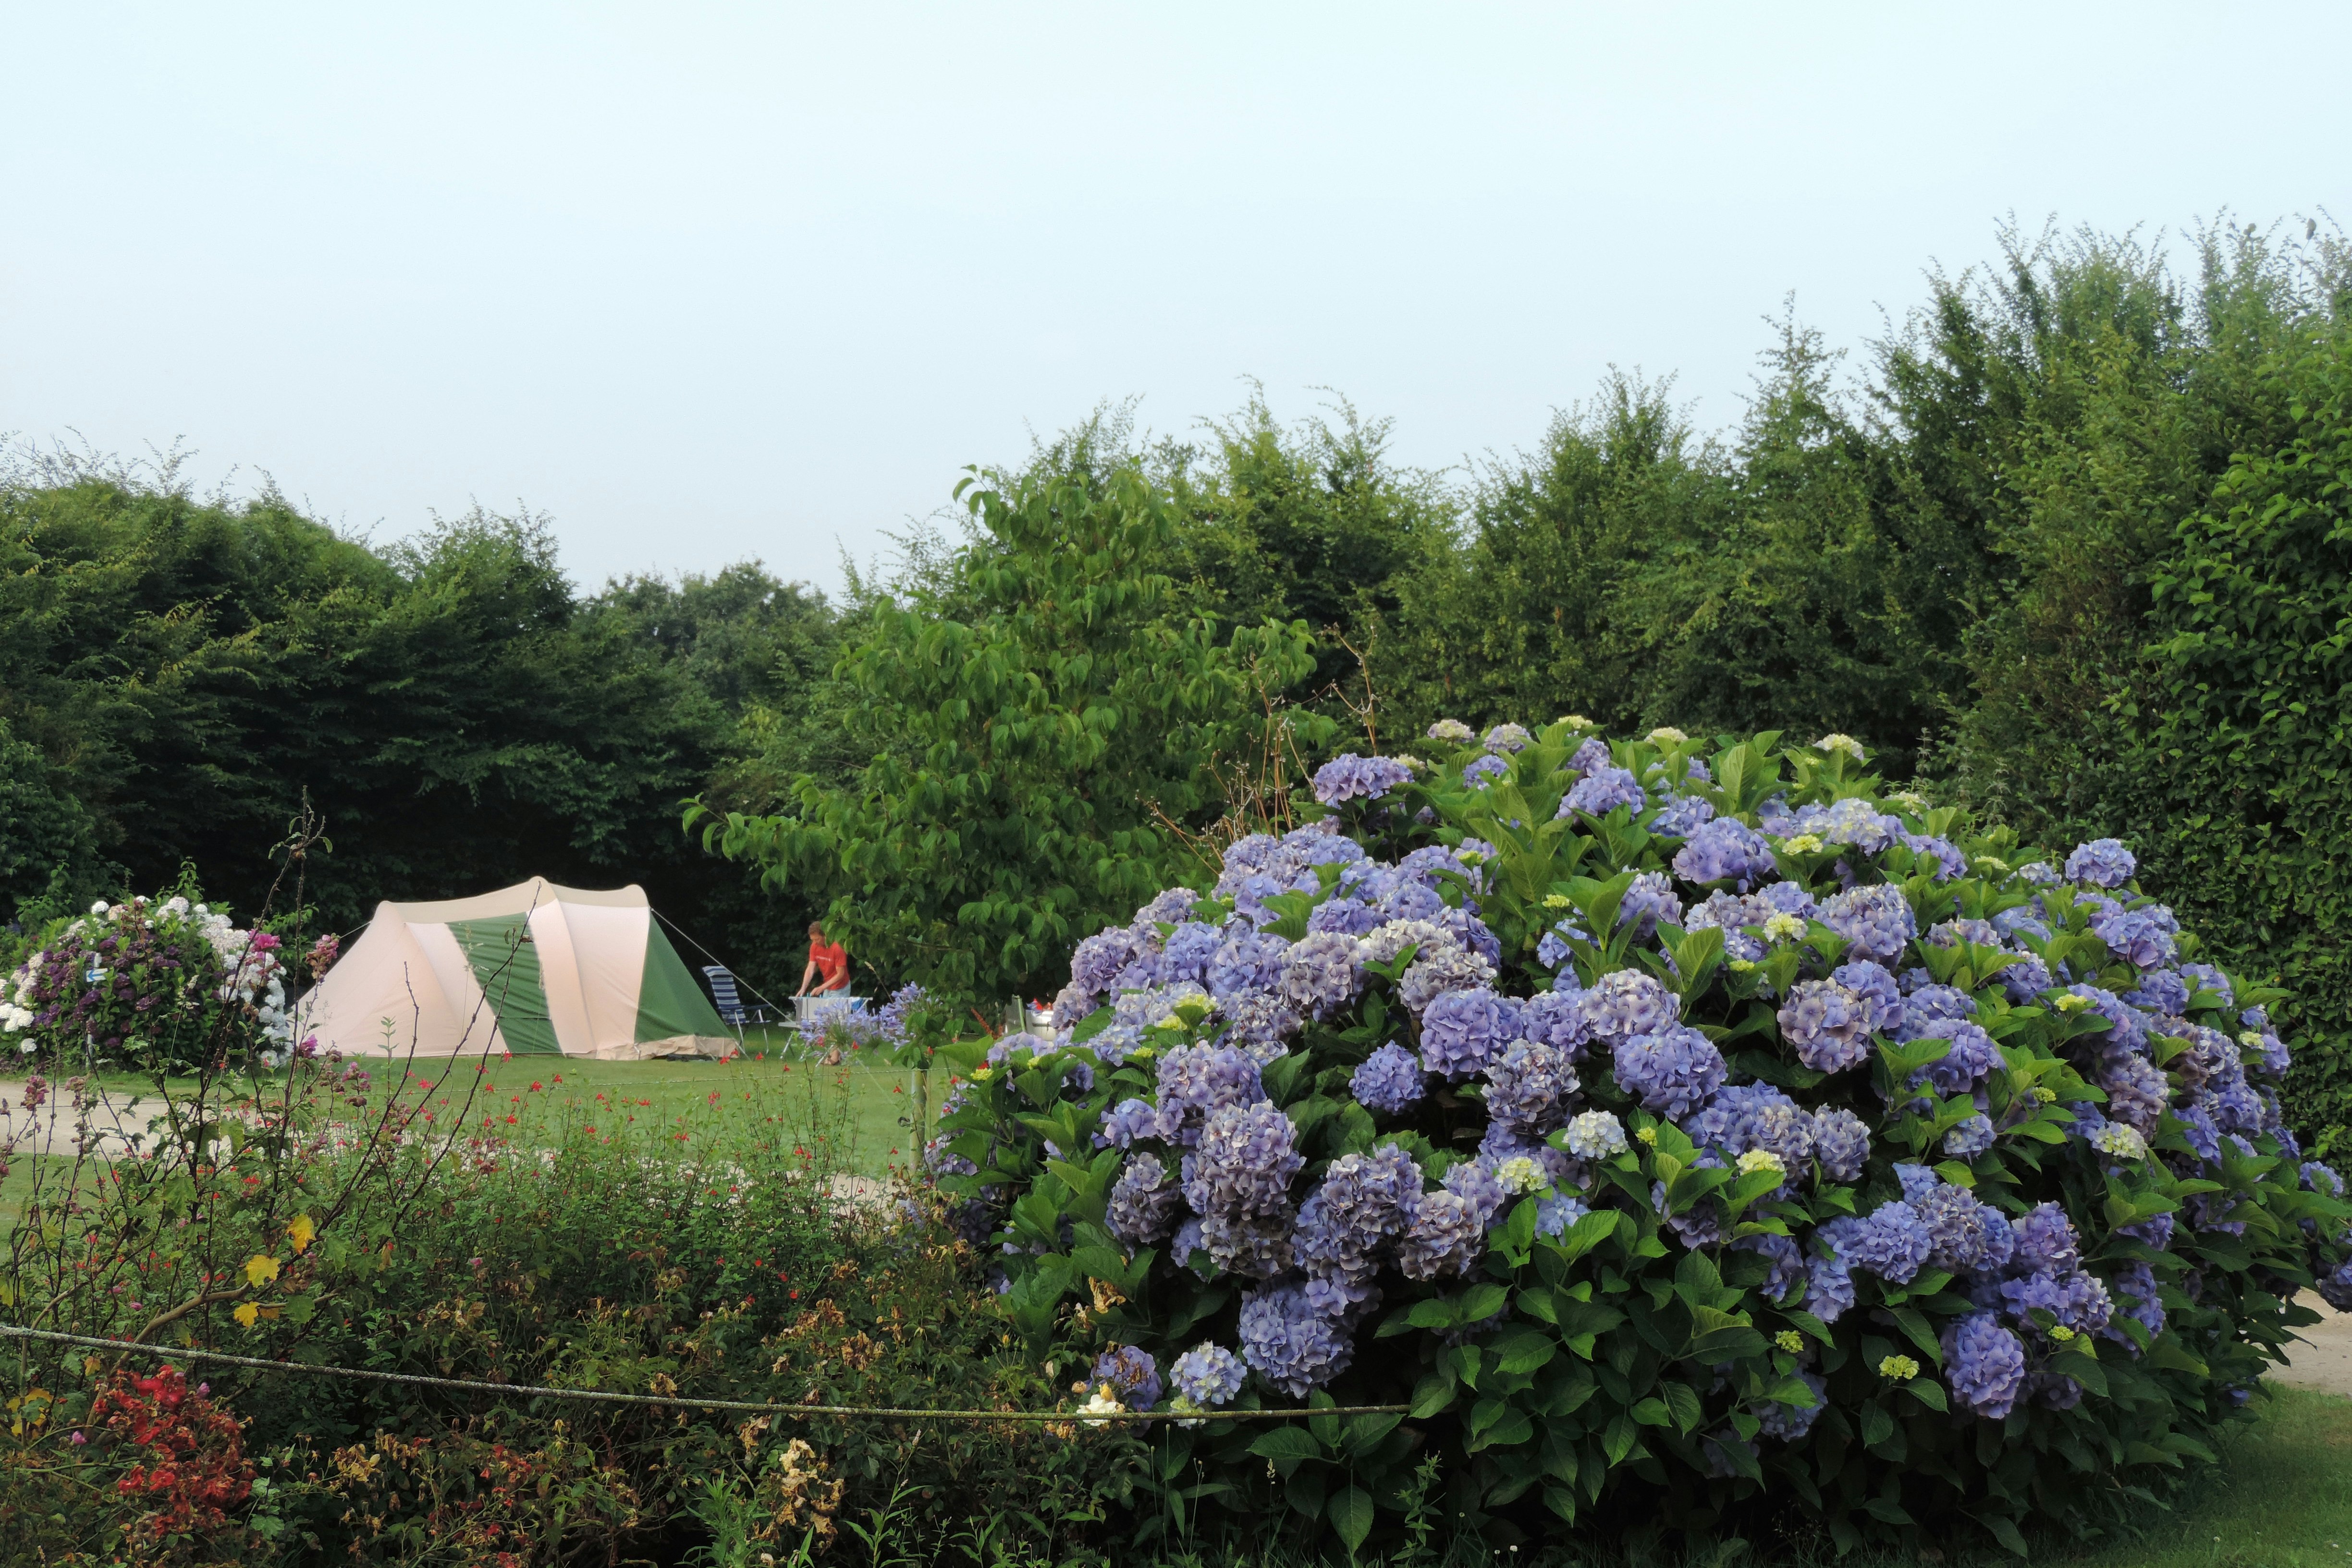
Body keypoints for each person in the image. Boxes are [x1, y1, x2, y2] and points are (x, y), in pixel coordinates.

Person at [798, 923, 850, 997]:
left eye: (817, 939)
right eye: (813, 940)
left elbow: (840, 974)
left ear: (825, 936)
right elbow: (810, 969)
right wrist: (803, 988)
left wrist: (822, 987)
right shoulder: (814, 946)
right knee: (824, 1008)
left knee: (835, 1008)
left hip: (840, 988)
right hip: (828, 987)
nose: (815, 942)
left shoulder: (837, 948)